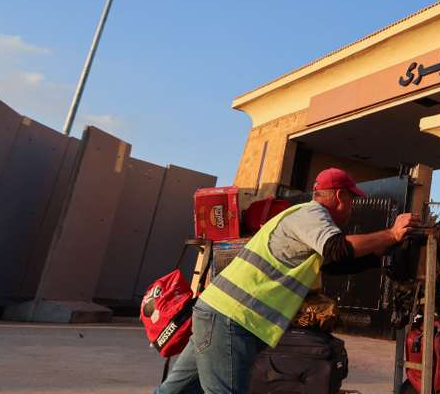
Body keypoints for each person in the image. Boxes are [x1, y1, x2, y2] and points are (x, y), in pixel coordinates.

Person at [155, 168, 414, 394]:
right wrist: (391, 234)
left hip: (219, 313)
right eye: (351, 200)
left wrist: (379, 256)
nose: (351, 208)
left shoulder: (303, 220)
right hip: (232, 319)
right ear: (340, 196)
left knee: (175, 390)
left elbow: (336, 264)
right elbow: (338, 249)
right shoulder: (312, 214)